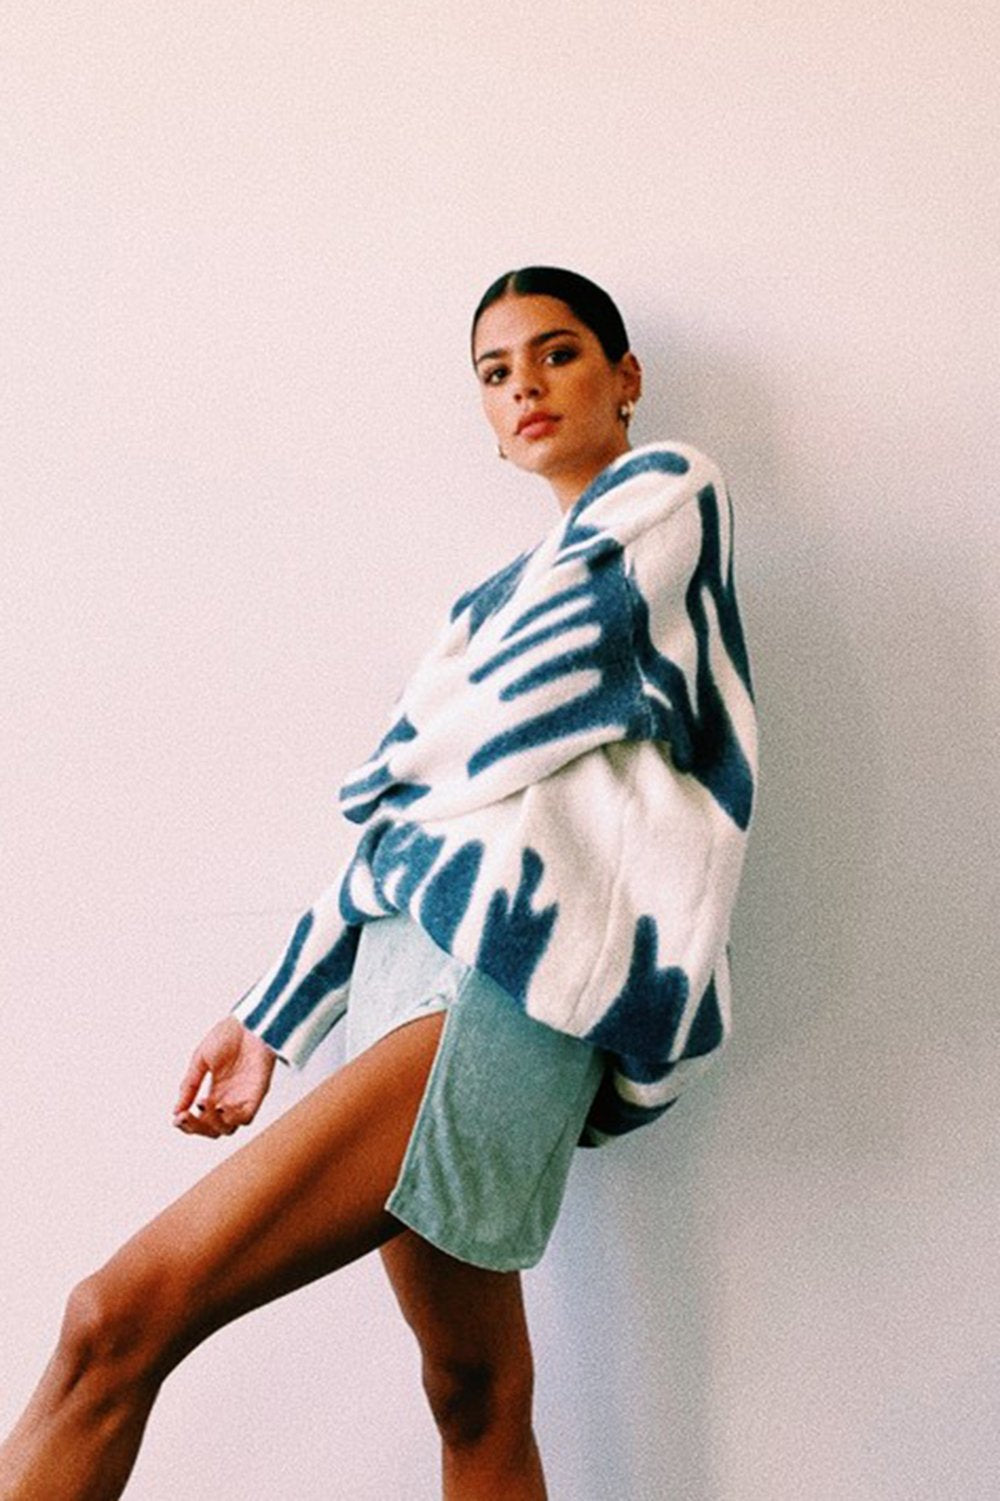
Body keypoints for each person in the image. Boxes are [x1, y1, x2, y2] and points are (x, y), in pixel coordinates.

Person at [0, 267, 757, 1500]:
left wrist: (404, 750)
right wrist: (271, 1015)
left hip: (510, 982)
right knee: (474, 1391)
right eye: (496, 373)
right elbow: (400, 825)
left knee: (112, 1319)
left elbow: (464, 742)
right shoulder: (480, 608)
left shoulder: (672, 495)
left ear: (623, 377)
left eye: (557, 353)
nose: (525, 387)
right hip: (404, 974)